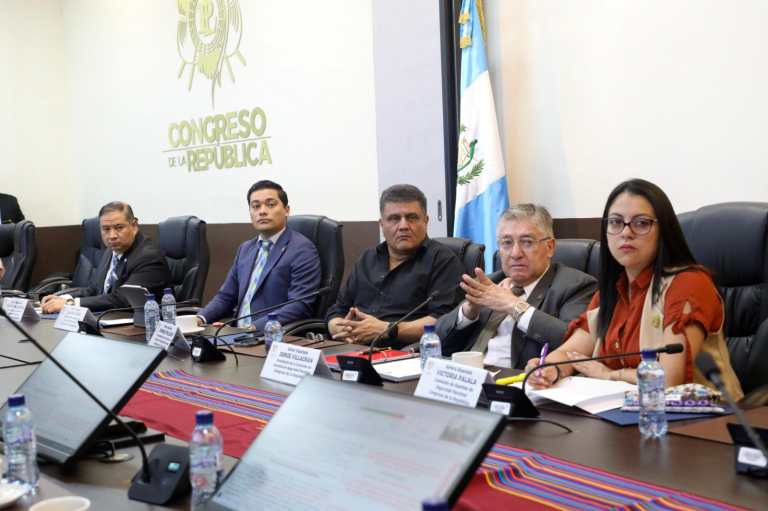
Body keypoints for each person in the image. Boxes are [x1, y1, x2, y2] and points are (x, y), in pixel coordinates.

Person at [526, 179, 743, 399]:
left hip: (701, 414)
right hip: (625, 411)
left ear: (663, 231)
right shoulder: (612, 292)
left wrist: (611, 375)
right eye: (615, 222)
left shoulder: (688, 284)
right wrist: (549, 369)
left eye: (641, 223)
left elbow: (669, 379)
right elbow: (571, 353)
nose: (626, 233)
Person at [436, 204, 597, 369]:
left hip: (520, 378)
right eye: (507, 243)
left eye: (527, 242)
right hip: (465, 376)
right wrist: (468, 312)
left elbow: (573, 342)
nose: (515, 253)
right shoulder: (490, 283)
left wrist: (513, 305)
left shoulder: (577, 286)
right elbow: (435, 341)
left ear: (549, 247)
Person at [326, 184, 464, 346]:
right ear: (382, 224)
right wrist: (337, 327)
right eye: (394, 218)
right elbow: (338, 309)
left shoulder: (442, 260)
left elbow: (444, 320)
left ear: (426, 221)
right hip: (352, 346)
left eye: (412, 218)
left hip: (404, 353)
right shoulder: (368, 258)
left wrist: (388, 330)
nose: (403, 226)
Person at [197, 180, 321, 331]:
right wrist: (200, 318)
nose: (262, 211)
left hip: (270, 335)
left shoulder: (302, 249)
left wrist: (252, 328)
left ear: (286, 210)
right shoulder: (246, 249)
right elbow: (226, 296)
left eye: (270, 204)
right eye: (256, 206)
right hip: (236, 334)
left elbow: (299, 305)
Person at [41, 202, 172, 313]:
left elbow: (122, 299)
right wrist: (64, 297)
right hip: (109, 320)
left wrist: (71, 304)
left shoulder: (148, 257)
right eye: (106, 229)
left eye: (119, 228)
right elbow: (94, 289)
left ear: (134, 226)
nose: (112, 236)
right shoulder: (111, 251)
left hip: (140, 325)